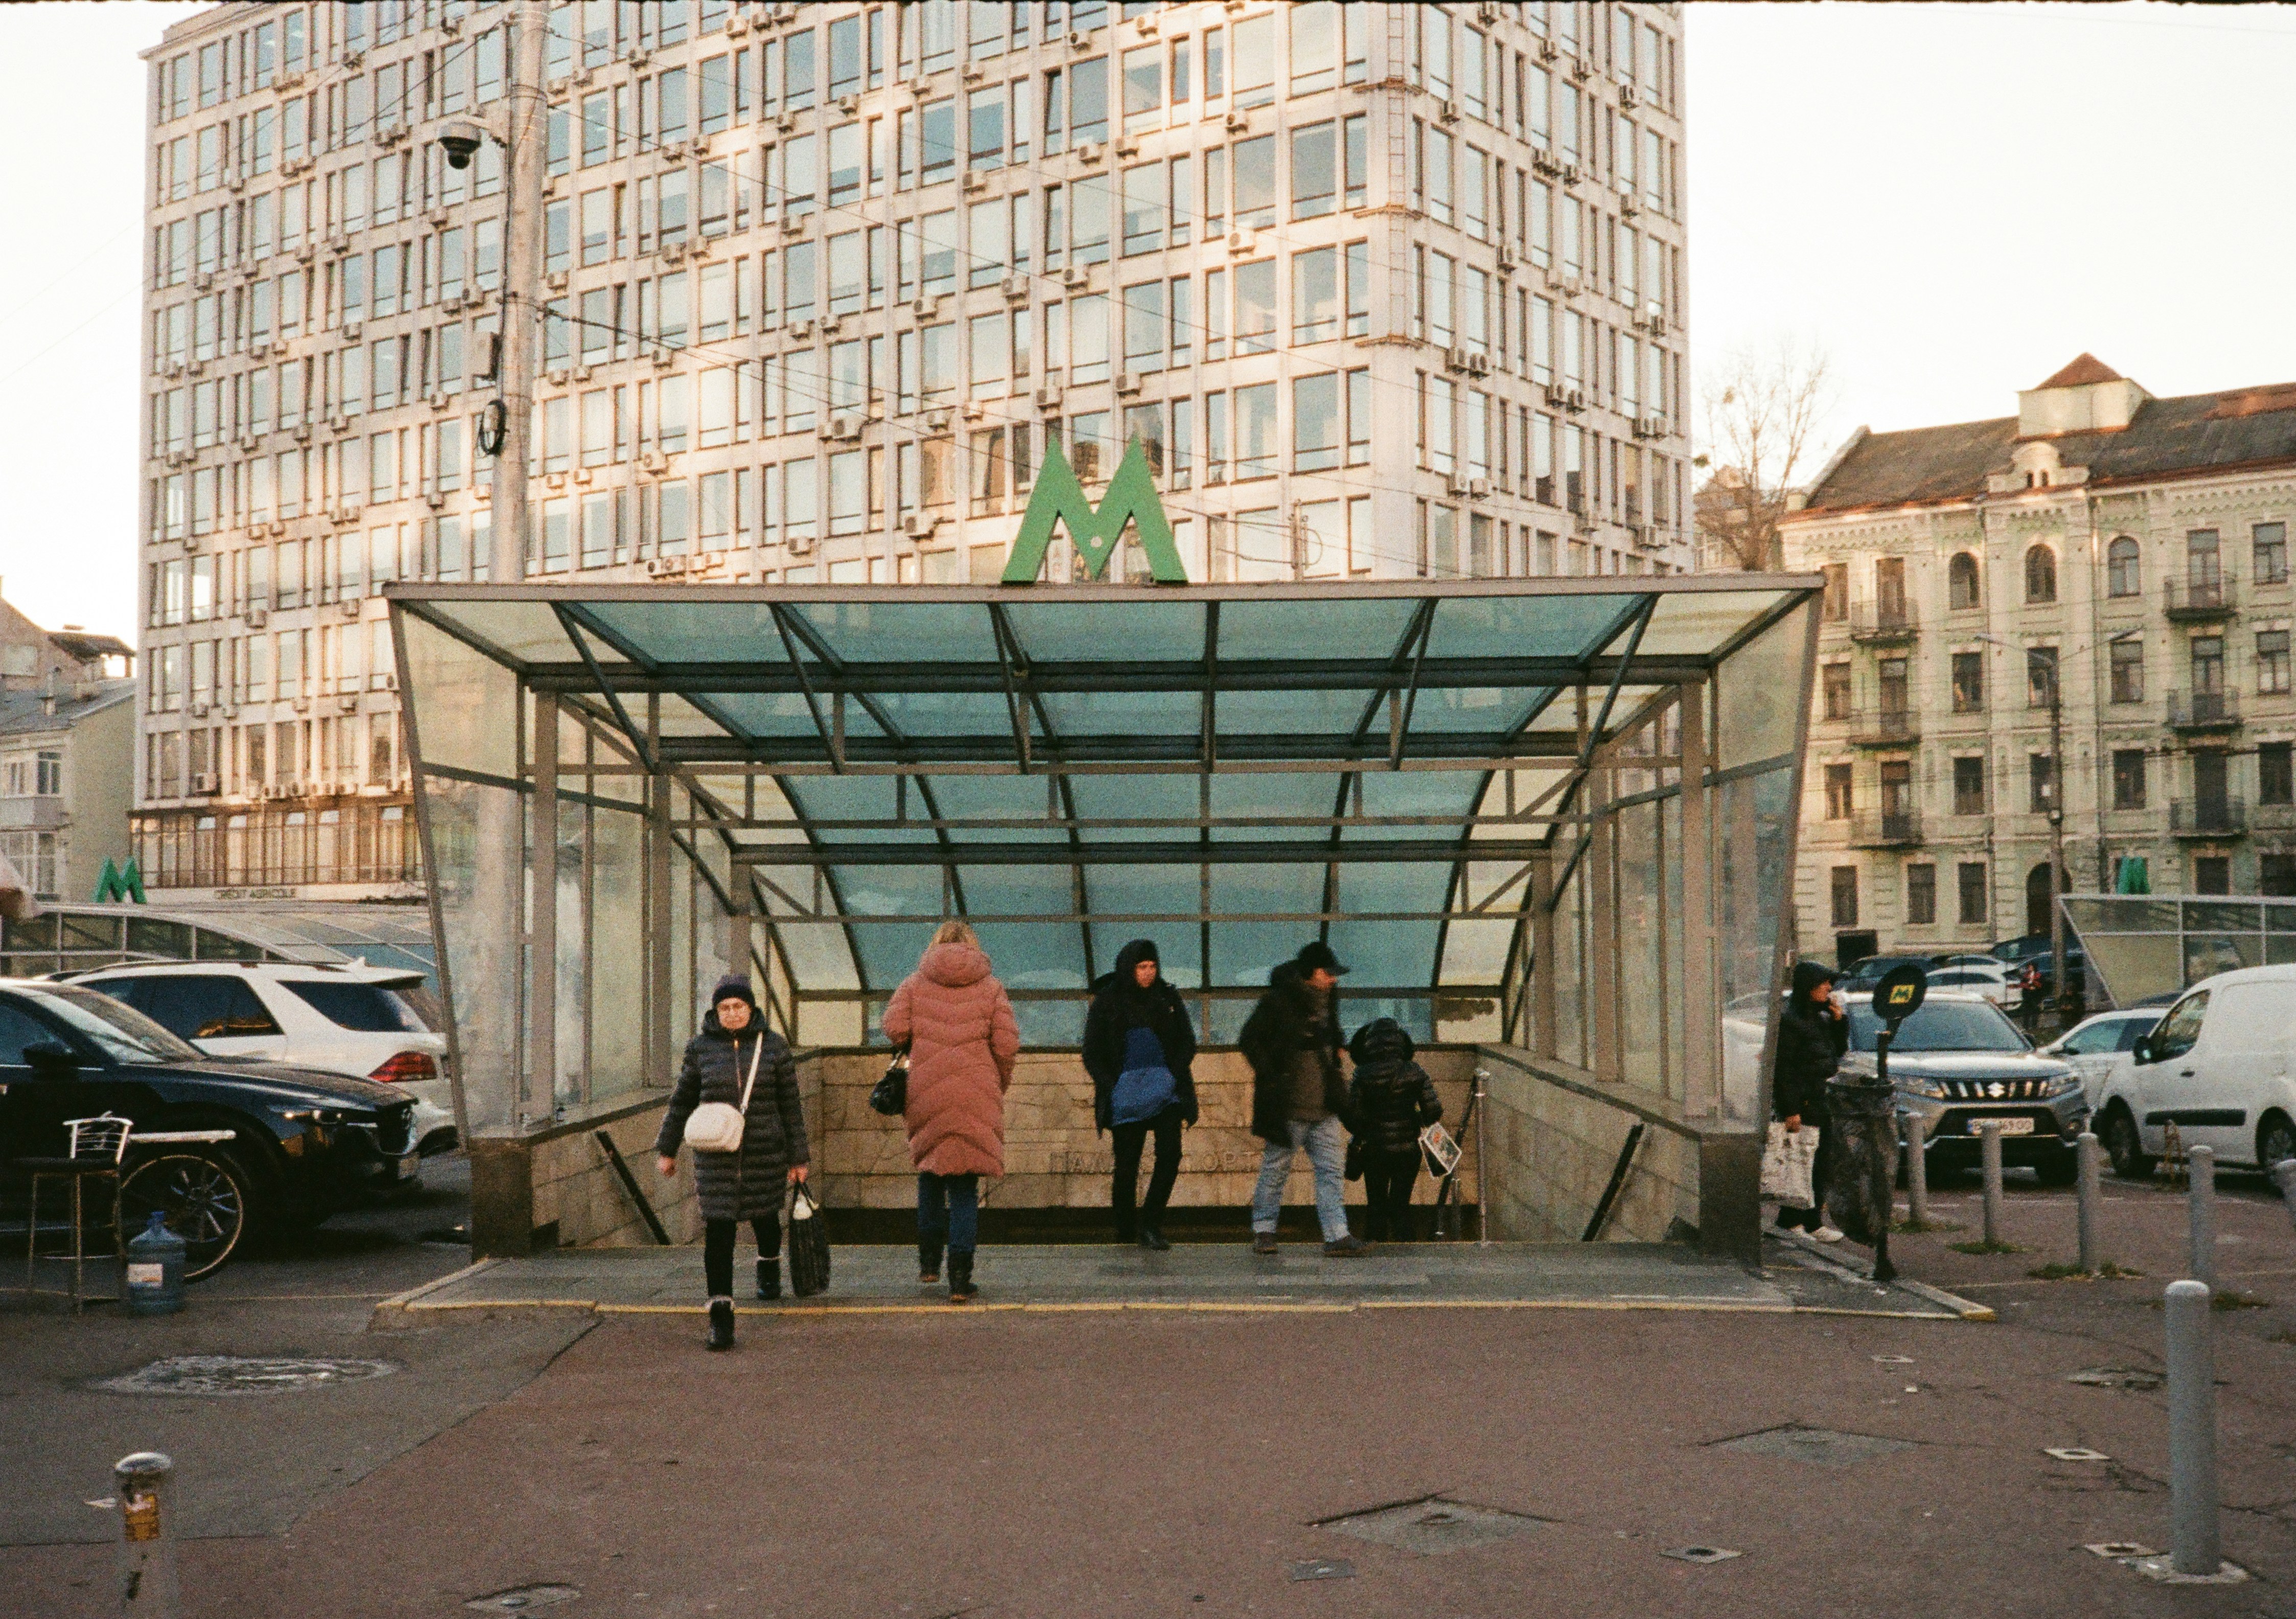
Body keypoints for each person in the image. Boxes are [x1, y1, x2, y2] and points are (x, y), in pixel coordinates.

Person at [655, 973, 809, 1351]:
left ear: (752, 1008)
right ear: (716, 1010)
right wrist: (668, 1148)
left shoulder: (773, 1048)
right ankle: (720, 1315)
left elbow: (791, 1106)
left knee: (767, 1218)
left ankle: (768, 1266)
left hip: (764, 1151)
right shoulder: (700, 1049)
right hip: (716, 1157)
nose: (732, 1013)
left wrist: (798, 1157)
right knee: (719, 1233)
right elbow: (682, 1101)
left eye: (739, 1006)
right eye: (725, 1007)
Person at [883, 920, 1019, 1304]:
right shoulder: (991, 987)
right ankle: (960, 1280)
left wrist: (921, 1040)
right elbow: (1007, 1045)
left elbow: (893, 1027)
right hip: (976, 1090)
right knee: (963, 1188)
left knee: (930, 1171)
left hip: (926, 1087)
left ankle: (929, 1263)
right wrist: (997, 1082)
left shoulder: (914, 983)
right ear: (973, 947)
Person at [1240, 941, 1369, 1257]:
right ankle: (1265, 1230)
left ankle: (1337, 1234)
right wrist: (1272, 1073)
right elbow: (1249, 1040)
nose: (1334, 980)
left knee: (1331, 1171)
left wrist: (1337, 1045)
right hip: (1289, 1107)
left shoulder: (1328, 1000)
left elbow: (1331, 1032)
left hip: (1325, 1107)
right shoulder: (1279, 1001)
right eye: (1329, 973)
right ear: (1312, 972)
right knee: (1276, 1171)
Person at [1083, 939, 1200, 1250]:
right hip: (1127, 1095)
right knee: (1127, 1163)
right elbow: (1092, 1052)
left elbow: (1187, 1041)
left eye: (1152, 966)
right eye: (1141, 967)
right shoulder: (1108, 1002)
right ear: (1129, 968)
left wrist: (1170, 1075)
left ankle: (1150, 1225)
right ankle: (1125, 1228)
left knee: (1170, 1155)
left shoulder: (1168, 997)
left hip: (1167, 1094)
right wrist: (1113, 1086)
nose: (1148, 973)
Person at [1346, 1017, 1442, 1243]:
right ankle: (1405, 1250)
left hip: (1374, 1150)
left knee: (1376, 1204)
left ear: (1370, 1045)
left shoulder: (1362, 1074)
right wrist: (1413, 1119)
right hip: (1408, 1149)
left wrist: (1369, 1125)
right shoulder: (1415, 1071)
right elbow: (1434, 1111)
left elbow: (1351, 1116)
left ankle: (1374, 1247)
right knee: (1401, 1204)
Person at [1772, 959, 1847, 1243]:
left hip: (1821, 1097)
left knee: (1820, 1160)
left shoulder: (1821, 1018)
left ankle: (1814, 1221)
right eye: (1823, 984)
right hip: (1803, 1100)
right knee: (1799, 1159)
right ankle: (1790, 1220)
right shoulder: (1791, 1022)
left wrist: (1840, 1023)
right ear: (1808, 988)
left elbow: (1836, 1053)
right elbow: (1784, 1069)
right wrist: (1790, 1109)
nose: (1829, 989)